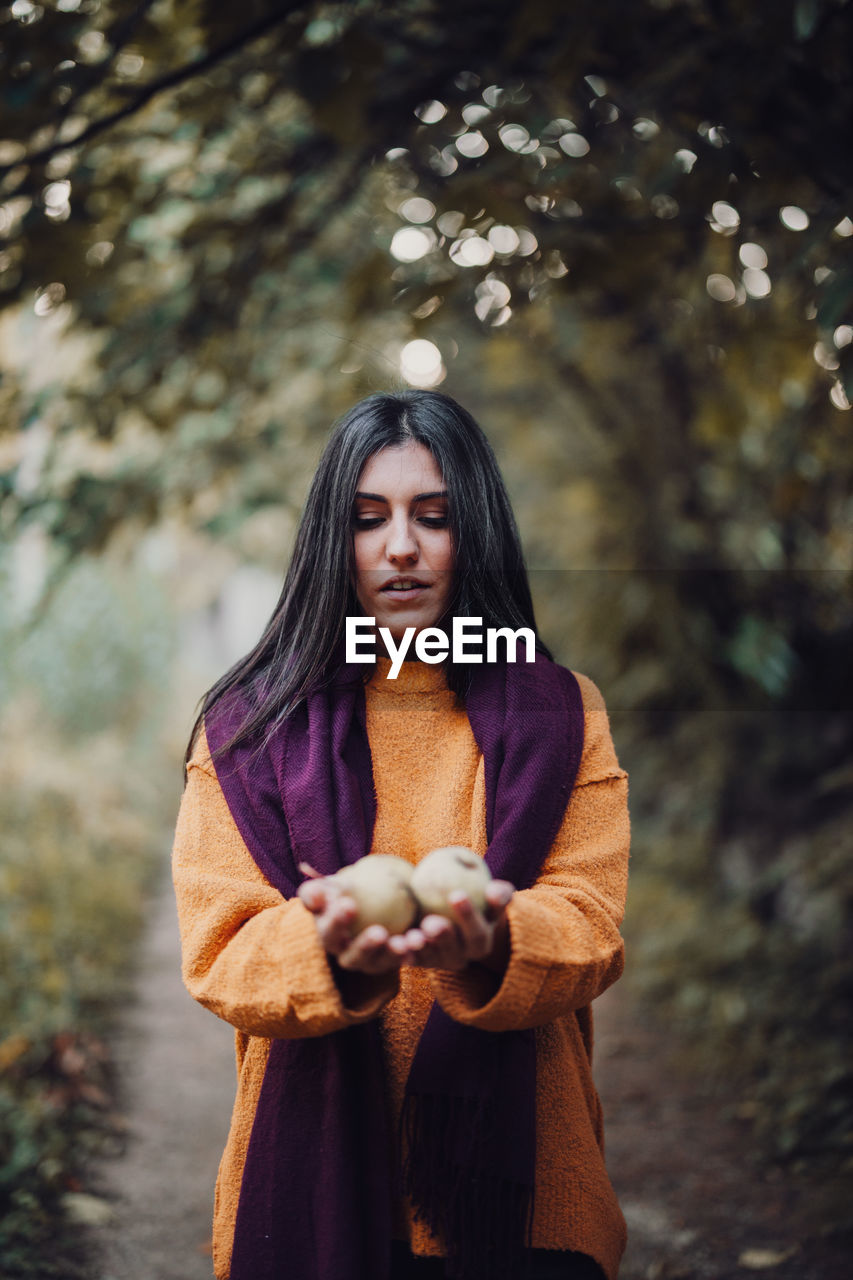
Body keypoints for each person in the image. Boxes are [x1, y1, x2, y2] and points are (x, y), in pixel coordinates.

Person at [172, 389, 630, 1280]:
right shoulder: (247, 727)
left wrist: (495, 942)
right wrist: (330, 947)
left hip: (523, 1190)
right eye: (368, 519)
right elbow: (218, 948)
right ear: (329, 541)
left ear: (478, 534)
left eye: (434, 516)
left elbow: (590, 923)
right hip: (313, 1189)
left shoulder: (560, 711)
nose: (401, 547)